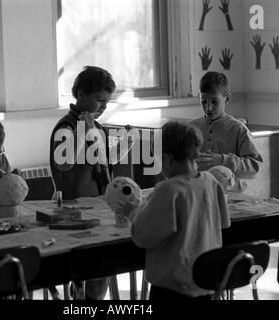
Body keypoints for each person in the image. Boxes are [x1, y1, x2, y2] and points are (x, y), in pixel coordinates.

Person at [118, 121, 230, 300]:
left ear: (167, 158)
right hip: (206, 281)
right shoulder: (210, 182)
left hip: (174, 287)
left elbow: (143, 236)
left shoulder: (168, 189)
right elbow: (223, 223)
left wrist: (132, 212)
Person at [50, 66, 118, 300]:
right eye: (100, 100)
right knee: (81, 274)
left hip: (99, 208)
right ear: (81, 94)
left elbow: (104, 166)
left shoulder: (97, 128)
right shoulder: (66, 128)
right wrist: (83, 133)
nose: (103, 107)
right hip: (72, 212)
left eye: (107, 102)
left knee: (100, 279)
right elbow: (64, 164)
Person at [190, 71, 263, 192]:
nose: (208, 107)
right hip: (199, 193)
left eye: (214, 102)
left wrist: (222, 160)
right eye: (204, 101)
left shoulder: (238, 129)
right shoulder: (191, 129)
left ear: (227, 98)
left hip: (231, 195)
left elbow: (255, 167)